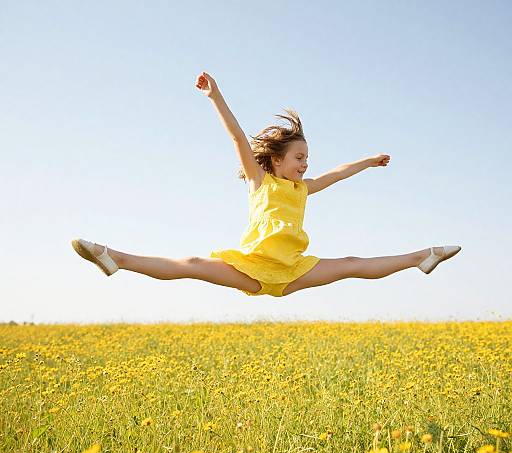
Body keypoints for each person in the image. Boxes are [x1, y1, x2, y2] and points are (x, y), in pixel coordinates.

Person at [71, 71, 461, 297]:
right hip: (253, 269)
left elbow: (338, 173)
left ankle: (420, 257)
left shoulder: (302, 190)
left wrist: (369, 161)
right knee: (192, 264)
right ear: (276, 159)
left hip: (292, 269)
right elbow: (239, 140)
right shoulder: (260, 182)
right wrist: (215, 97)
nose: (306, 165)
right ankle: (116, 258)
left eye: (307, 159)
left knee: (351, 265)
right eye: (299, 158)